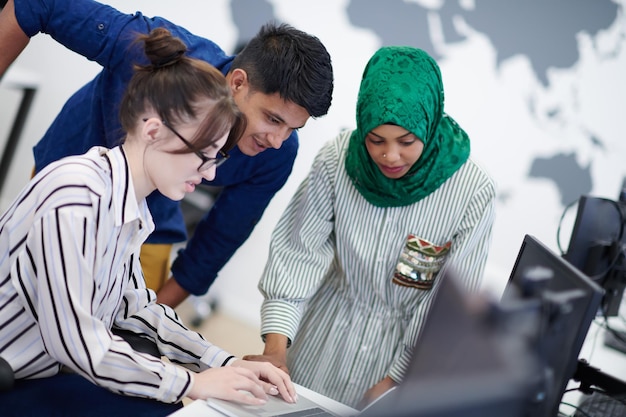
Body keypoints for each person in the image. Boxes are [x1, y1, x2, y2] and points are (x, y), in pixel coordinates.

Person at [0, 27, 297, 416]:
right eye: (203, 155)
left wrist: (223, 362)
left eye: (216, 158)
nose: (209, 174)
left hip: (48, 367)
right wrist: (192, 381)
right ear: (153, 130)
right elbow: (80, 346)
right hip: (18, 375)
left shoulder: (129, 205)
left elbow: (137, 310)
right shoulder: (74, 196)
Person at [0, 0, 334, 308]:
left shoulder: (276, 153)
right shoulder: (153, 49)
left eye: (292, 128)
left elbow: (214, 246)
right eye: (273, 119)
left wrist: (145, 326)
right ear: (237, 83)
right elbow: (38, 4)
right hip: (67, 183)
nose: (278, 139)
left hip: (151, 227)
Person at [243, 46, 497, 408]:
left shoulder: (472, 190)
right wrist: (275, 350)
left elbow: (448, 303)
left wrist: (397, 380)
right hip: (323, 339)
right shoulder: (337, 159)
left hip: (402, 359)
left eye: (406, 142)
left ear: (429, 121)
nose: (390, 156)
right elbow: (297, 253)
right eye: (376, 140)